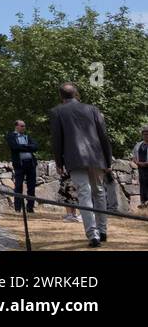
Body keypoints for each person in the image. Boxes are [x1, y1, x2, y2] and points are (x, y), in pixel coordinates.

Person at [49, 81, 113, 247]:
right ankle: (103, 230)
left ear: (61, 96)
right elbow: (103, 136)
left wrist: (58, 162)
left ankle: (93, 235)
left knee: (84, 194)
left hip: (74, 158)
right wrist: (108, 159)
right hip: (97, 157)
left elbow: (57, 140)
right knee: (99, 192)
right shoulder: (92, 109)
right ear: (75, 93)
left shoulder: (57, 112)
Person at [6, 118, 39, 213]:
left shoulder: (27, 137)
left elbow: (35, 147)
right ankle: (17, 208)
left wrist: (24, 147)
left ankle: (30, 208)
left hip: (30, 163)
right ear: (16, 126)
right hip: (19, 164)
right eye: (22, 126)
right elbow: (15, 147)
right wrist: (28, 147)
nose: (24, 127)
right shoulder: (11, 136)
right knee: (18, 186)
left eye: (24, 126)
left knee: (31, 186)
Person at [131, 126, 148, 211]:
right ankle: (143, 202)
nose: (146, 136)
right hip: (141, 168)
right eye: (144, 134)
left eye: (147, 134)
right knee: (142, 184)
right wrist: (138, 163)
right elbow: (133, 156)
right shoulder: (138, 145)